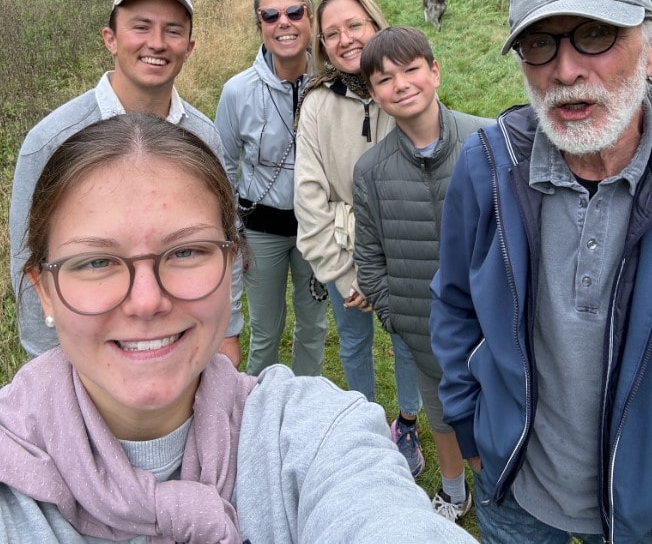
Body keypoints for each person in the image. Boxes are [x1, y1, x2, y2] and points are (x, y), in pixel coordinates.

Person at [0, 113, 478, 544]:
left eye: (186, 251)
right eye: (97, 261)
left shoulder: (314, 437)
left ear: (232, 264)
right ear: (42, 290)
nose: (146, 301)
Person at [430, 0, 652, 543]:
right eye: (539, 45)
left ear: (649, 48)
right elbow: (453, 303)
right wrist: (469, 424)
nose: (566, 70)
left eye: (595, 35)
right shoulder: (488, 164)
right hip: (518, 491)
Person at [9, 0, 243, 366]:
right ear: (110, 38)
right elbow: (30, 261)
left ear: (189, 47)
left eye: (173, 31)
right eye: (141, 26)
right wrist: (45, 362)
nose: (156, 42)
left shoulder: (205, 136)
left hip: (177, 342)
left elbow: (224, 240)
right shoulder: (53, 140)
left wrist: (228, 329)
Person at [353, 26, 489, 521]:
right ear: (374, 94)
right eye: (385, 79)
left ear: (434, 71)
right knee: (444, 415)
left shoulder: (489, 140)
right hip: (425, 328)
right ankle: (455, 490)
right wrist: (399, 318)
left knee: (504, 406)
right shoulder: (370, 170)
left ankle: (505, 484)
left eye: (412, 69)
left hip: (496, 323)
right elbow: (369, 256)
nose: (401, 84)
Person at [294, 0, 425, 478]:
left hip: (404, 247)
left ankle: (408, 421)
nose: (345, 39)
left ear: (374, 23)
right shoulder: (316, 105)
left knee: (409, 340)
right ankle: (364, 425)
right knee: (352, 342)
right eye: (331, 33)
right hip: (341, 251)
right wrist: (344, 274)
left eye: (354, 26)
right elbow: (308, 196)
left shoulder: (402, 88)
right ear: (321, 46)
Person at [215, 0, 327, 376]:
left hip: (317, 229)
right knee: (265, 328)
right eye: (270, 16)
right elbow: (223, 167)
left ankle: (307, 409)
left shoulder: (332, 83)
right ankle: (260, 408)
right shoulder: (238, 91)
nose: (284, 23)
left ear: (310, 19)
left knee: (313, 325)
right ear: (259, 25)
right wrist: (233, 234)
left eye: (295, 12)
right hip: (260, 230)